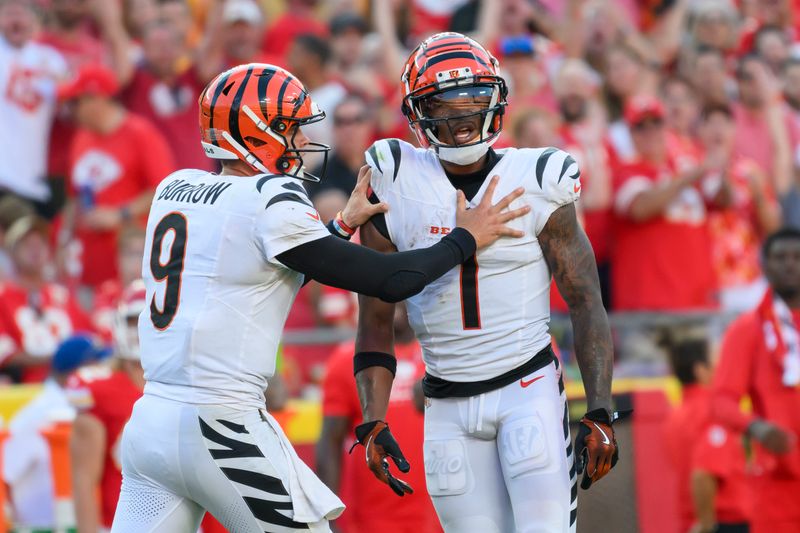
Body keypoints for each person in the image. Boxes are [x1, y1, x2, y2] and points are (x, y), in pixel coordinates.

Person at [111, 62, 528, 532]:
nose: (298, 144)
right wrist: (464, 237)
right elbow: (391, 280)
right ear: (254, 132)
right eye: (288, 129)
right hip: (220, 422)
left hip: (150, 426)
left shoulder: (175, 188)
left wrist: (341, 226)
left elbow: (258, 278)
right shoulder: (268, 197)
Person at [354, 33, 619, 533]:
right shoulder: (394, 175)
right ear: (417, 112)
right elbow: (374, 314)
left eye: (473, 99)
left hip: (528, 389)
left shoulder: (539, 175)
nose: (461, 117)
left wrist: (601, 407)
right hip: (445, 401)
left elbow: (586, 301)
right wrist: (373, 415)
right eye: (443, 104)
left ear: (496, 100)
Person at [317, 304, 439, 533]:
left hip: (439, 517)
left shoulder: (441, 359)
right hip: (372, 523)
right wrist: (329, 517)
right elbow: (330, 441)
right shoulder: (346, 361)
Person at [711, 228, 800, 533]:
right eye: (781, 257)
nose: (790, 264)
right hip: (779, 484)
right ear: (764, 265)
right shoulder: (747, 330)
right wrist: (758, 427)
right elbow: (721, 401)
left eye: (797, 257)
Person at [57, 63, 175, 289]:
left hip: (132, 269)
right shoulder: (81, 138)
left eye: (75, 102)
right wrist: (63, 240)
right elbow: (74, 198)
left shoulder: (141, 134)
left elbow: (166, 191)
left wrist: (119, 214)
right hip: (89, 268)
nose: (69, 110)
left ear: (97, 98)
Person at [611, 95, 718, 310]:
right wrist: (693, 173)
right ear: (631, 134)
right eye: (641, 126)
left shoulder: (686, 165)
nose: (650, 132)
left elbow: (722, 200)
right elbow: (640, 208)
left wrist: (718, 161)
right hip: (647, 303)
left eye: (656, 123)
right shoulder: (626, 171)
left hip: (696, 301)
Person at [3, 334, 109, 530]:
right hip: (44, 526)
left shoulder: (76, 403)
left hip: (78, 520)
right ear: (73, 373)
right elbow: (4, 474)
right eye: (98, 365)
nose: (106, 372)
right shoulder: (39, 413)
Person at [68, 280, 147, 533]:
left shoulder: (190, 383)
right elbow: (83, 480)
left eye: (151, 319)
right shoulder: (99, 389)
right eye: (134, 321)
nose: (142, 329)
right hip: (120, 525)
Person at [663, 337, 752, 533]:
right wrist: (706, 524)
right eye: (717, 361)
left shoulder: (675, 414)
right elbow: (703, 473)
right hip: (722, 522)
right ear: (701, 370)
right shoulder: (714, 411)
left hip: (691, 520)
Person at [0, 215, 93, 382]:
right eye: (27, 244)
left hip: (72, 383)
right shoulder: (3, 296)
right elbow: (5, 353)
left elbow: (89, 338)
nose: (35, 249)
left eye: (40, 243)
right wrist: (57, 358)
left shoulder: (61, 295)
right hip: (27, 389)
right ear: (12, 252)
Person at [0, 0, 68, 214]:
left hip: (33, 182)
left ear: (35, 21)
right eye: (10, 13)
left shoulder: (50, 60)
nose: (17, 20)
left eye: (24, 13)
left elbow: (69, 108)